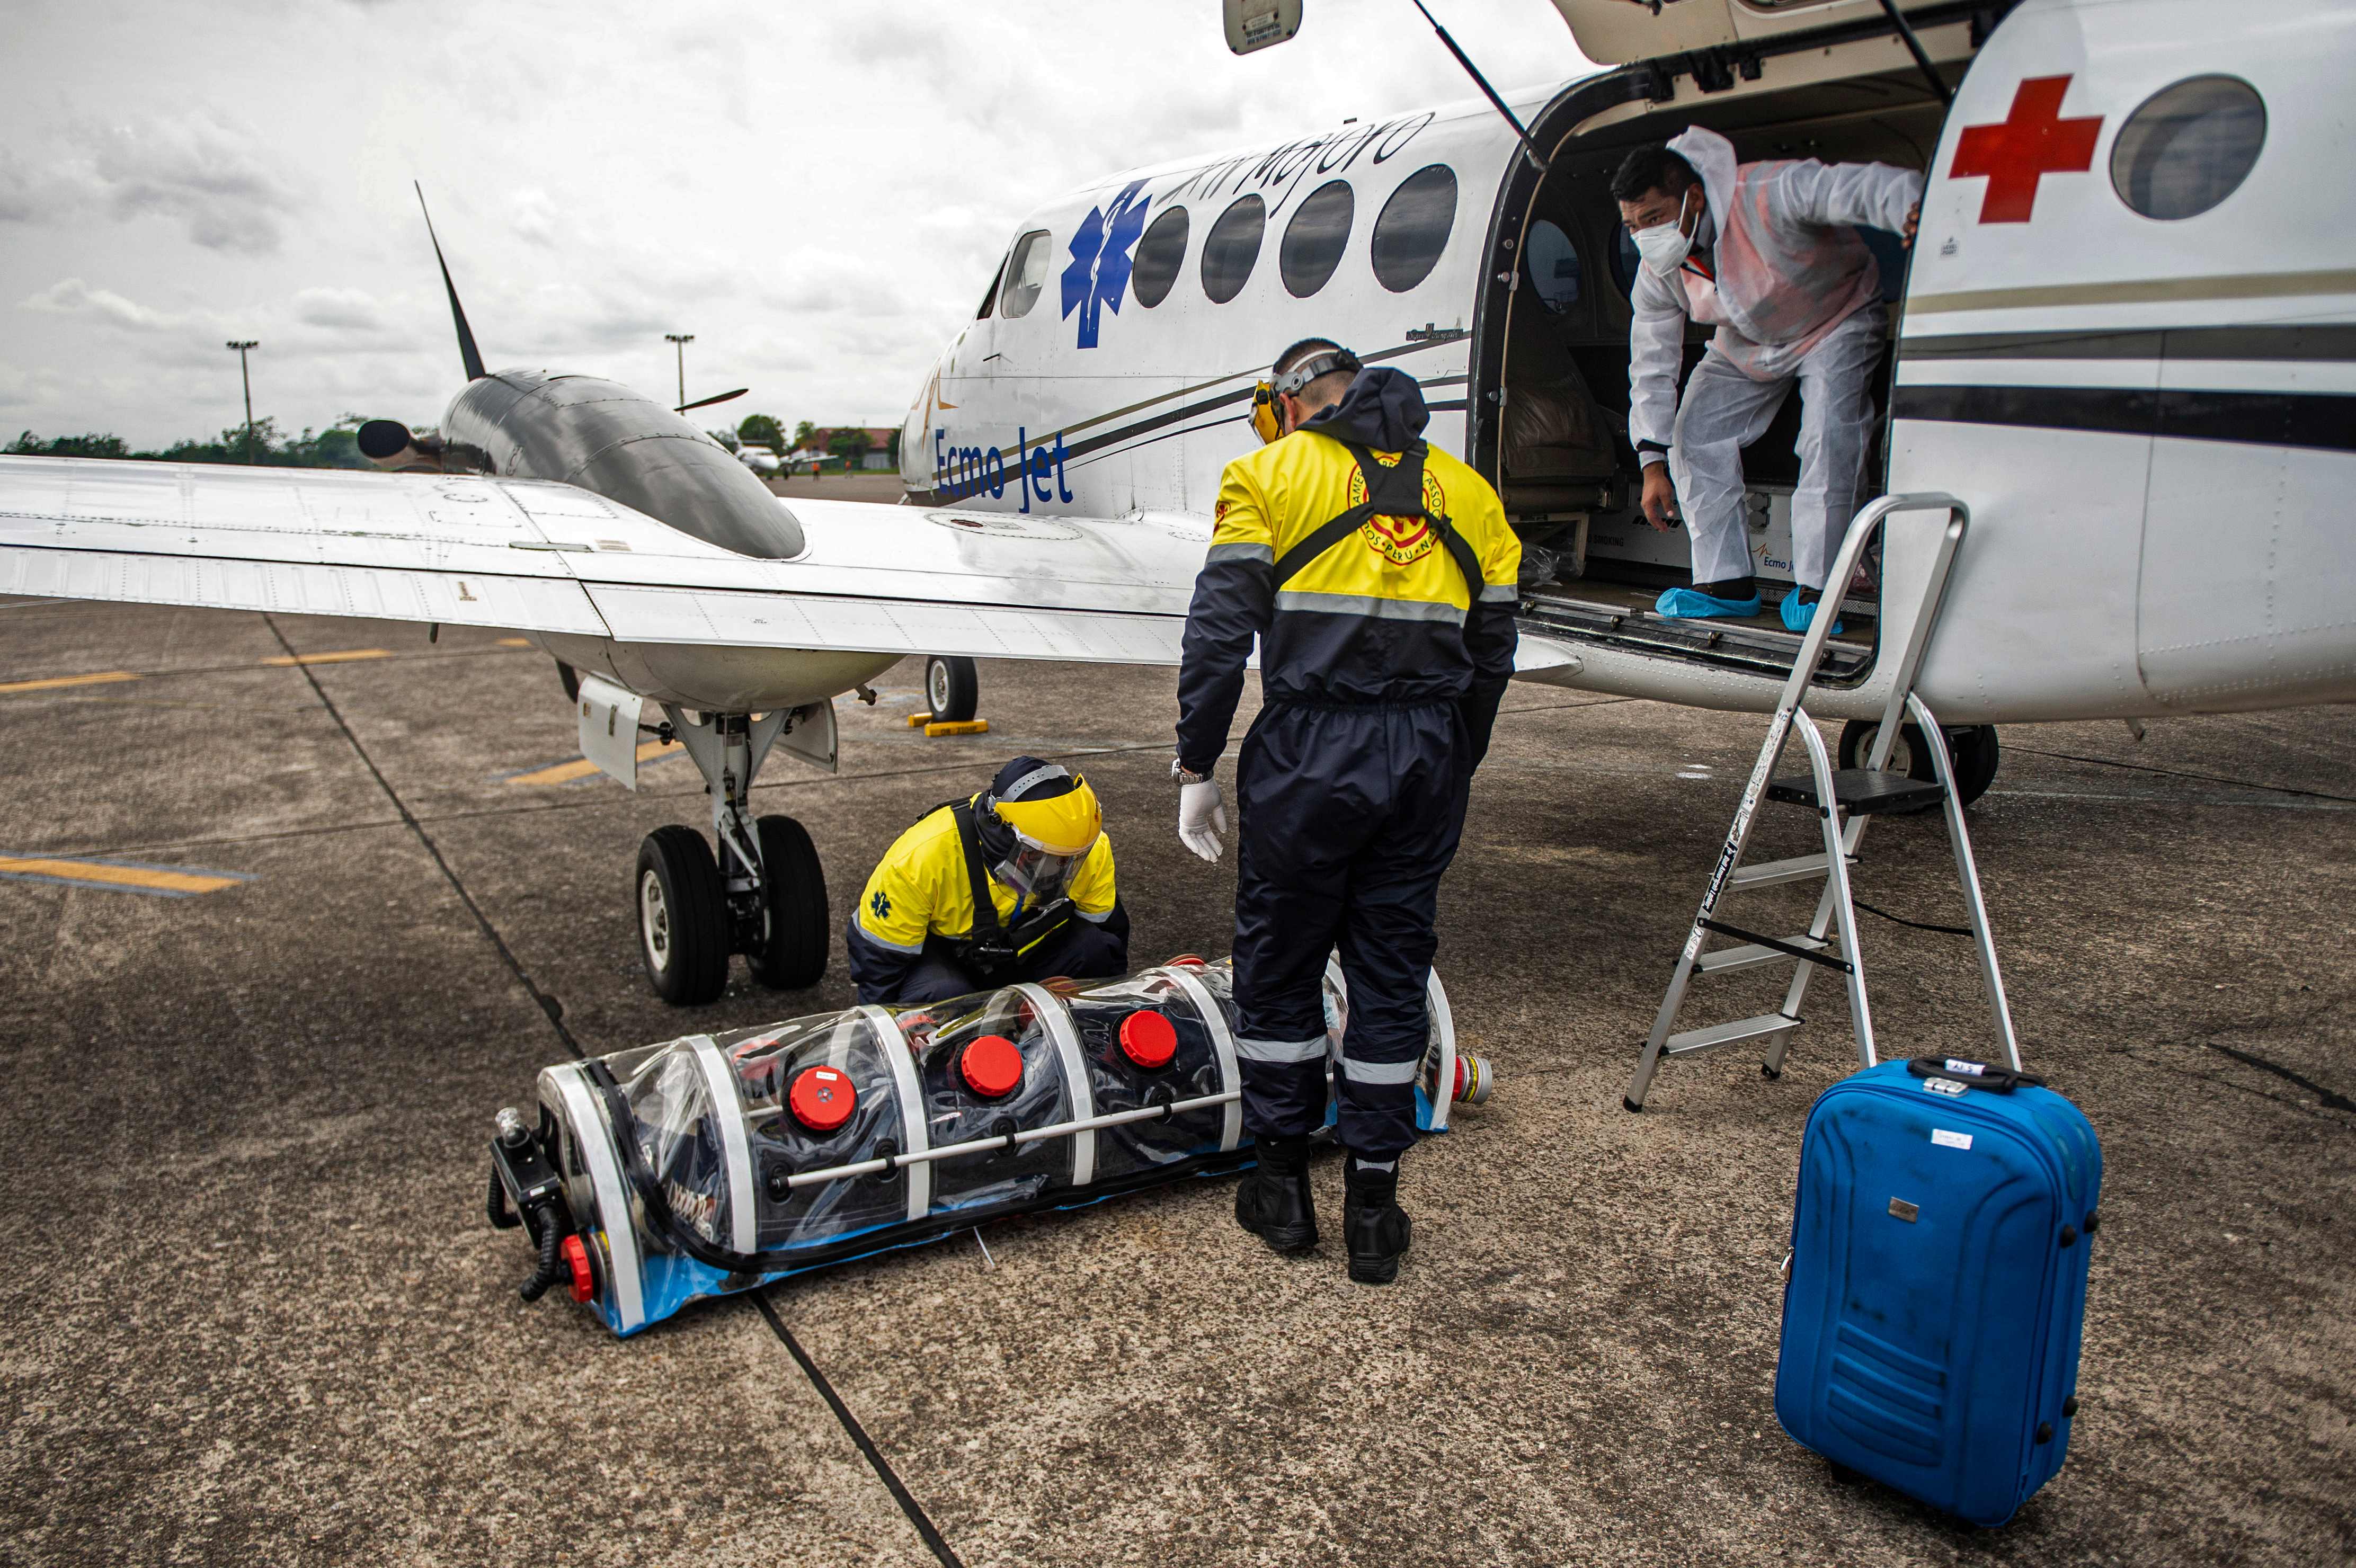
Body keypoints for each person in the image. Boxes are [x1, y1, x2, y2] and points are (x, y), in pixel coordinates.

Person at [1171, 340, 1519, 1286]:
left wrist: (1195, 762)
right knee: (1392, 969)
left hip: (1307, 755)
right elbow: (1494, 651)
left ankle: (1279, 1188)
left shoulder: (1266, 474)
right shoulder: (1471, 495)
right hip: (1429, 752)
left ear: (1289, 406)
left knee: (1281, 963)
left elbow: (1216, 635)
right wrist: (1455, 758)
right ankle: (1373, 1204)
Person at [1617, 127, 1921, 634]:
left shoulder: (1765, 192)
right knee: (1694, 434)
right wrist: (1651, 461)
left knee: (1828, 434)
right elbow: (1651, 361)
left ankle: (1820, 588)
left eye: (1653, 218)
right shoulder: (1658, 267)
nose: (1644, 234)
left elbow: (1856, 188)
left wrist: (1910, 210)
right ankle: (1725, 583)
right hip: (1745, 340)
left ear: (1692, 198)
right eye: (1632, 226)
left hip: (1835, 319)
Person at [846, 756, 1126, 1005]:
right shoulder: (918, 860)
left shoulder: (1086, 848)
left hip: (1026, 957)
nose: (1058, 870)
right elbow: (880, 967)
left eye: (1069, 859)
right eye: (1041, 857)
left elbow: (1110, 936)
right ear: (1001, 832)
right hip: (949, 966)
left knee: (1095, 951)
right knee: (941, 995)